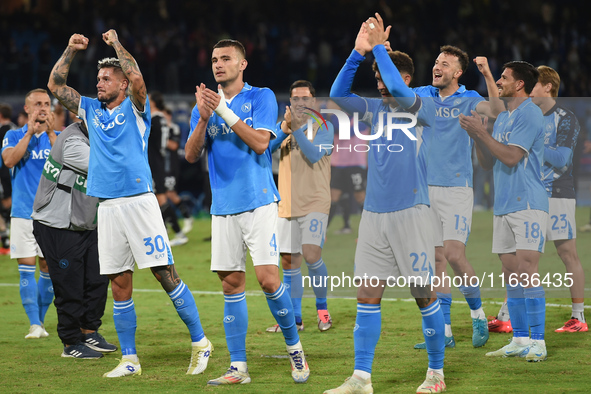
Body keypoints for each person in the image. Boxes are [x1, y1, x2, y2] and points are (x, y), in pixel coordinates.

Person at [47, 30, 212, 378]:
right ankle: (130, 359)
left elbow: (137, 76)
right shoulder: (90, 109)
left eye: (107, 78)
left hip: (139, 202)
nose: (100, 83)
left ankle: (200, 342)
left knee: (165, 274)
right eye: (98, 78)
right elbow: (56, 85)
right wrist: (71, 50)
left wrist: (116, 46)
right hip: (106, 207)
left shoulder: (137, 107)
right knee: (119, 284)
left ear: (122, 85)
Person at [325, 15, 445, 393]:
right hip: (374, 215)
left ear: (405, 79)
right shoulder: (374, 111)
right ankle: (361, 378)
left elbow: (394, 82)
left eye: (384, 78)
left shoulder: (421, 106)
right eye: (376, 80)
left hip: (412, 212)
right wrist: (359, 53)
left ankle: (436, 374)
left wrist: (380, 48)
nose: (379, 85)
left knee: (423, 295)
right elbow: (338, 95)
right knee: (366, 296)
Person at [186, 39, 309, 385]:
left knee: (269, 280)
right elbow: (191, 155)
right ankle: (238, 367)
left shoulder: (261, 97)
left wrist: (224, 111)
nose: (218, 64)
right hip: (223, 207)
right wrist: (203, 119)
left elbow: (259, 144)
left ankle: (294, 349)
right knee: (231, 285)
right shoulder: (204, 106)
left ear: (242, 64)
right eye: (214, 59)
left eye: (226, 59)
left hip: (258, 202)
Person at [411, 47, 504, 349]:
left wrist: (489, 74)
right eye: (436, 62)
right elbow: (397, 90)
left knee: (453, 255)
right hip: (426, 189)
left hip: (456, 189)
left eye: (445, 64)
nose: (437, 66)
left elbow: (498, 111)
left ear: (458, 72)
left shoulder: (470, 99)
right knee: (436, 261)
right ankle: (445, 332)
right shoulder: (424, 96)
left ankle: (477, 314)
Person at [460, 61, 548, 361]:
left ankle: (539, 341)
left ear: (519, 84)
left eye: (504, 77)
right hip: (505, 204)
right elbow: (488, 162)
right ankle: (520, 339)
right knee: (510, 273)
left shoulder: (530, 113)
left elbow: (511, 157)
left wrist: (483, 135)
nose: (499, 81)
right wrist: (477, 136)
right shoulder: (506, 117)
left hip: (528, 203)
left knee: (527, 271)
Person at [32, 120, 117, 359]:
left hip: (85, 223)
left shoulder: (98, 137)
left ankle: (89, 330)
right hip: (57, 224)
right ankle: (70, 342)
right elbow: (104, 167)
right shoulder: (72, 141)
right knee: (70, 285)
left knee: (98, 279)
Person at [266, 80, 334, 333]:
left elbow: (315, 155)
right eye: (296, 99)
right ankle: (295, 319)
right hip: (287, 203)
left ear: (314, 101)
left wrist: (294, 130)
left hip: (316, 201)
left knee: (311, 254)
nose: (301, 103)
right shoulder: (283, 127)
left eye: (306, 98)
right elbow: (265, 150)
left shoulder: (324, 126)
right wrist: (285, 129)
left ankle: (322, 310)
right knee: (289, 261)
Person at [530, 65, 586, 332]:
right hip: (529, 194)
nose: (527, 90)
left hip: (557, 193)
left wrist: (533, 141)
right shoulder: (526, 115)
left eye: (533, 85)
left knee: (567, 254)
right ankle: (506, 315)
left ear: (548, 87)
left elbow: (563, 160)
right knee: (523, 255)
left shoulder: (565, 118)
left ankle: (579, 317)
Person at [2, 89, 57, 339]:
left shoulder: (60, 137)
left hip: (53, 214)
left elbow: (70, 164)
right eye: (37, 104)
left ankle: (42, 322)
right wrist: (30, 133)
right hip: (23, 212)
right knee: (26, 266)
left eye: (46, 104)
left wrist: (51, 135)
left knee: (47, 267)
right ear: (26, 109)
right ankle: (34, 324)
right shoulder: (13, 135)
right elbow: (10, 161)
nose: (43, 108)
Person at [148, 91, 188, 246]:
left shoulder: (154, 119)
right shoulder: (161, 119)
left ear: (153, 102)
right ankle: (164, 231)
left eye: (148, 99)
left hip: (154, 162)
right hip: (158, 161)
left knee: (161, 199)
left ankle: (179, 232)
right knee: (158, 200)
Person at [163, 107, 194, 234]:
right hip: (161, 167)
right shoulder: (160, 128)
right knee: (161, 194)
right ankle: (165, 223)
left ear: (169, 116)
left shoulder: (173, 128)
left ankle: (187, 217)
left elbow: (174, 145)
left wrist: (159, 138)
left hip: (171, 167)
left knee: (169, 194)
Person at [0, 102, 16, 252]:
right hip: (14, 173)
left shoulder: (4, 131)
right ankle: (8, 237)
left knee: (5, 206)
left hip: (4, 173)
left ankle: (7, 238)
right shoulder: (14, 129)